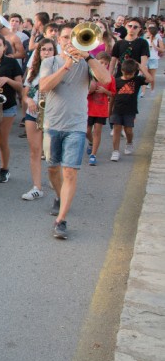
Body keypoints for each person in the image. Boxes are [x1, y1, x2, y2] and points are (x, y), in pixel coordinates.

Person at [38, 23, 111, 239]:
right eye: (65, 38)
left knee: (69, 171)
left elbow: (106, 79)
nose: (68, 42)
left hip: (77, 126)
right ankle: (59, 196)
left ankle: (61, 220)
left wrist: (87, 57)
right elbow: (43, 87)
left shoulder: (88, 64)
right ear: (58, 40)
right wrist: (67, 65)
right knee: (53, 169)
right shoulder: (50, 62)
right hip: (52, 125)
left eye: (73, 38)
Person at [21, 38, 56, 200]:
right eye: (43, 49)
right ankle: (37, 187)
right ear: (39, 52)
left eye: (50, 49)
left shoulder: (58, 68)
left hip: (53, 115)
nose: (46, 52)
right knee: (35, 151)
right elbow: (25, 93)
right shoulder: (33, 70)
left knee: (52, 153)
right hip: (33, 113)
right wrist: (28, 101)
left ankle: (55, 180)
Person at [0, 33, 23, 183]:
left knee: (2, 141)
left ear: (5, 47)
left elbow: (20, 86)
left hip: (7, 106)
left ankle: (4, 169)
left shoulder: (12, 63)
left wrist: (7, 80)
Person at [110, 59, 153, 161]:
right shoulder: (116, 81)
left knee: (128, 130)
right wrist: (109, 111)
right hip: (117, 109)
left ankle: (129, 143)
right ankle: (115, 151)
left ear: (135, 72)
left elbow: (150, 79)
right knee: (117, 129)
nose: (128, 76)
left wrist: (142, 68)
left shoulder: (137, 80)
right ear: (122, 70)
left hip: (130, 110)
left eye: (131, 74)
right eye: (126, 74)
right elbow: (112, 96)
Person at [86, 52, 116, 166]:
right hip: (88, 108)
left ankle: (93, 155)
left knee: (97, 132)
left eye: (105, 64)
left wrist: (105, 91)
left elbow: (113, 94)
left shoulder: (109, 78)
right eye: (101, 62)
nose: (103, 65)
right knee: (87, 131)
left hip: (101, 110)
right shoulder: (89, 76)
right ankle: (91, 142)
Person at [144, 19, 164, 95]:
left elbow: (162, 49)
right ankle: (143, 91)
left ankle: (152, 89)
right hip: (146, 58)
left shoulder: (158, 39)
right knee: (145, 75)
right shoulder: (145, 38)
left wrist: (155, 46)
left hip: (154, 59)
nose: (147, 32)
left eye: (148, 31)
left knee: (152, 76)